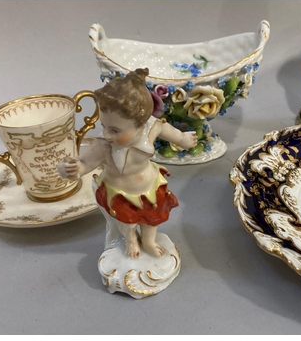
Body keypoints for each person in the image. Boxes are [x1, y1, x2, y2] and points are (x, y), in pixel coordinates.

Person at [58, 68, 197, 258]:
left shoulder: (151, 128)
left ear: (141, 124)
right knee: (127, 223)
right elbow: (84, 164)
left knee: (152, 219)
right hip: (120, 192)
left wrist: (183, 139)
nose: (107, 134)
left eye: (115, 130)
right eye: (104, 126)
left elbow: (171, 132)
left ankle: (148, 241)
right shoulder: (104, 145)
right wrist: (71, 169)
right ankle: (130, 240)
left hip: (150, 186)